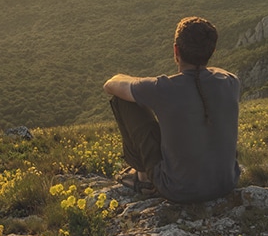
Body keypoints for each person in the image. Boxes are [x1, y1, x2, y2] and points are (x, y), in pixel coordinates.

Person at [103, 16, 241, 203]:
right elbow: (211, 74)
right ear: (212, 51)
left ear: (176, 50)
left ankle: (143, 178)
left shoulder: (164, 88)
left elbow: (110, 85)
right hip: (226, 183)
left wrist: (143, 85)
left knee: (124, 101)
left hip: (179, 190)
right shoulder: (231, 82)